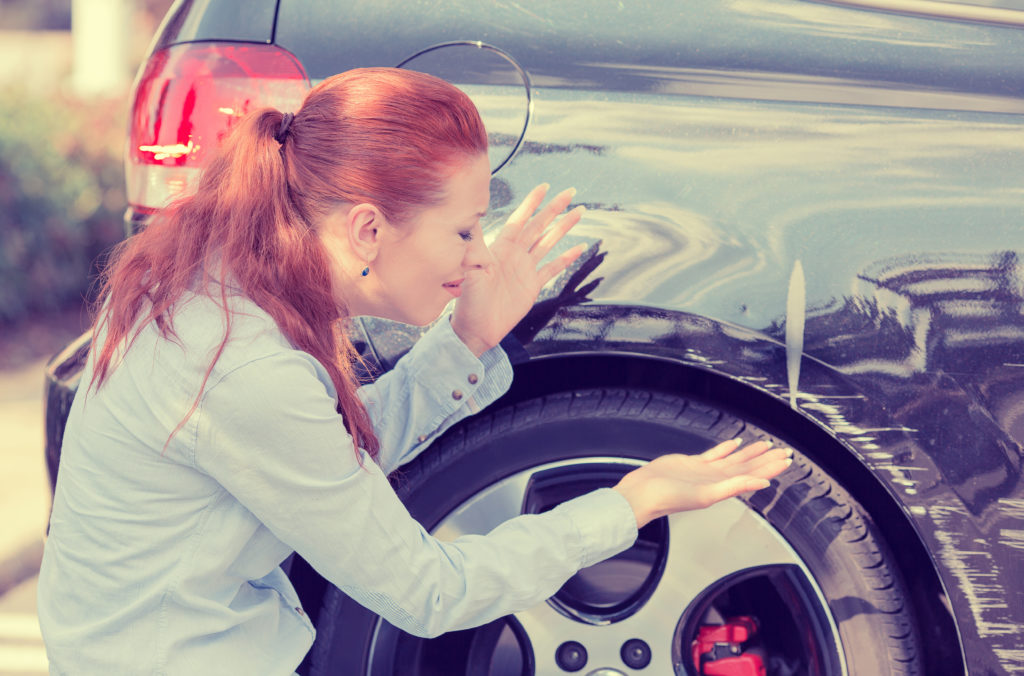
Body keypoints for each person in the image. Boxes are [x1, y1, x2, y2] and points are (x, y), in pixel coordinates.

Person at [37, 68, 791, 674]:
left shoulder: (219, 285)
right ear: (367, 227)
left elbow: (327, 465)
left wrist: (463, 343)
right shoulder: (243, 368)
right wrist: (629, 503)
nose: (479, 253)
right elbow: (428, 591)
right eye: (464, 228)